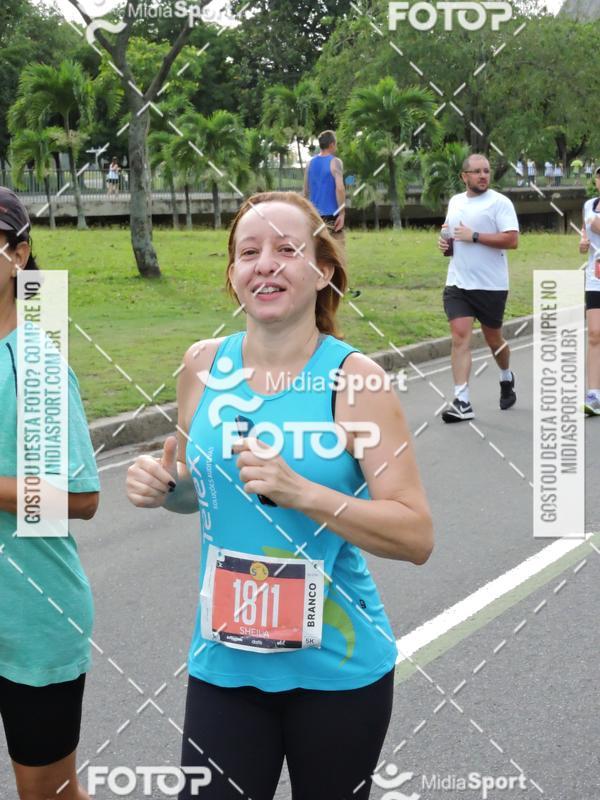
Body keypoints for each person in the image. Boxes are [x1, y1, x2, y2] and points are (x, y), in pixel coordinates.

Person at [126, 191, 433, 800]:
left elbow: (416, 534)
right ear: (232, 274)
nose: (264, 264)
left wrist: (303, 492)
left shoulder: (356, 380)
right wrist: (167, 488)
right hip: (225, 663)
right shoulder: (201, 366)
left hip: (337, 671)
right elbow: (200, 492)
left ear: (323, 271)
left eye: (286, 249)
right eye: (248, 252)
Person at [0, 188, 100, 800]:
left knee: (48, 795)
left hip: (32, 620)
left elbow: (80, 499)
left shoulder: (34, 362)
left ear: (18, 253)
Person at [438, 154, 520, 422]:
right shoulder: (455, 201)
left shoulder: (500, 203)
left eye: (486, 171)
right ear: (464, 176)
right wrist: (445, 244)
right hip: (458, 282)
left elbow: (512, 240)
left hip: (490, 285)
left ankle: (506, 376)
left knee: (493, 340)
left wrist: (474, 236)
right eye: (477, 171)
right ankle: (462, 401)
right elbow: (450, 234)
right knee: (460, 336)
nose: (483, 175)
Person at [579, 166, 600, 415]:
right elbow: (586, 234)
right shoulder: (589, 205)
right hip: (595, 277)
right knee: (594, 334)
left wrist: (596, 225)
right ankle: (594, 394)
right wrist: (583, 244)